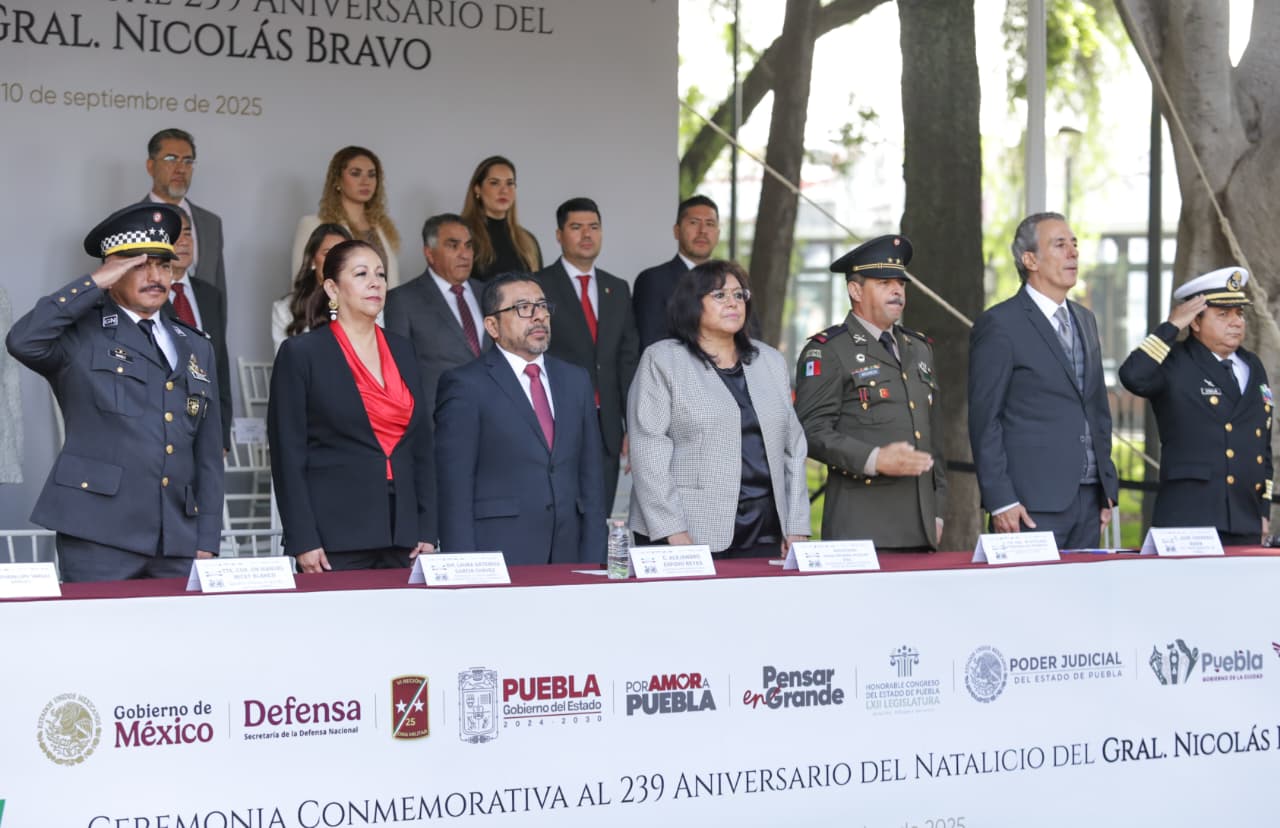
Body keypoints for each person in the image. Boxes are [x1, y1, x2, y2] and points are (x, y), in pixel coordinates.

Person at [5, 203, 224, 581]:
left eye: (164, 265)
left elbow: (208, 452)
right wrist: (92, 284)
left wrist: (207, 536)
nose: (155, 276)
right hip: (98, 533)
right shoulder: (81, 334)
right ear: (113, 270)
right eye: (139, 265)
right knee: (96, 623)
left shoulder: (195, 345)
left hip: (176, 538)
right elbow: (23, 340)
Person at [268, 240, 436, 572]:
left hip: (404, 534)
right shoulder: (302, 353)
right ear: (332, 288)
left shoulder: (402, 349)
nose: (375, 283)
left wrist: (428, 528)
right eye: (361, 274)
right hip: (334, 534)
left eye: (380, 274)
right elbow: (287, 453)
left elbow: (421, 445)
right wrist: (303, 538)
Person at [627, 260, 809, 558]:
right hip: (688, 530)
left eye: (739, 295)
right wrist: (672, 529)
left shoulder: (770, 361)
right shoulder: (662, 360)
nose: (733, 303)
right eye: (720, 295)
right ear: (692, 303)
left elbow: (794, 448)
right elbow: (648, 450)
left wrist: (797, 524)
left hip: (765, 529)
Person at [968, 212, 1118, 548]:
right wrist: (1000, 500)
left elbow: (1097, 409)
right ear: (1030, 260)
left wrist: (1106, 486)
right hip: (1028, 505)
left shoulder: (1085, 319)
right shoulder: (1000, 324)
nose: (1073, 253)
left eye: (1074, 244)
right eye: (1060, 245)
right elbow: (985, 420)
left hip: (1089, 500)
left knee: (1084, 585)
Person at [434, 272, 605, 565]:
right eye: (523, 308)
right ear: (492, 326)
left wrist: (595, 558)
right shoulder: (466, 384)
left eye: (542, 306)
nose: (538, 316)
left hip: (570, 553)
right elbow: (454, 488)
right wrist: (463, 567)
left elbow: (591, 479)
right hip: (499, 555)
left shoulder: (576, 380)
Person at [794, 235, 946, 551]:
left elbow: (933, 436)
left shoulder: (919, 348)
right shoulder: (829, 350)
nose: (897, 291)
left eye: (900, 284)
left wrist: (938, 510)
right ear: (855, 290)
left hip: (922, 526)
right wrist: (875, 459)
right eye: (884, 283)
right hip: (862, 528)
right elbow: (811, 431)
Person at [1119, 266, 1273, 546]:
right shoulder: (1174, 361)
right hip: (1190, 517)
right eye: (1223, 314)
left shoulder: (1252, 365)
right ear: (1195, 322)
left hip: (1245, 517)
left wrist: (1263, 510)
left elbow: (1262, 445)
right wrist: (1170, 327)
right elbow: (1132, 376)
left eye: (1239, 313)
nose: (1236, 322)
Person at [536, 197, 640, 510]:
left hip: (607, 427)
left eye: (593, 227)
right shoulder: (537, 286)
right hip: (556, 421)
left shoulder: (616, 288)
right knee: (559, 513)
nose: (586, 234)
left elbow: (627, 360)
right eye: (576, 227)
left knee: (600, 515)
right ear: (559, 235)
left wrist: (632, 425)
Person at [384, 214, 489, 437]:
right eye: (453, 245)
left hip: (493, 423)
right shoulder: (403, 300)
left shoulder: (489, 294)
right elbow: (396, 373)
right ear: (429, 253)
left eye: (468, 245)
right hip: (437, 427)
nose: (464, 254)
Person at [168, 206, 232, 451]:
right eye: (175, 234)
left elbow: (220, 365)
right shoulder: (147, 298)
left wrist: (223, 435)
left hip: (207, 426)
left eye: (187, 233)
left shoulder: (209, 295)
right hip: (166, 428)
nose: (183, 241)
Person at [292, 146, 401, 288]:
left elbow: (391, 282)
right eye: (356, 173)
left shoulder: (384, 227)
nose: (365, 181)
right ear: (337, 180)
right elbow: (300, 283)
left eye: (372, 175)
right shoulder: (313, 224)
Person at [142, 128, 227, 300]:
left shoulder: (211, 223)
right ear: (150, 166)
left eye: (188, 161)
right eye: (171, 159)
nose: (181, 168)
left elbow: (218, 293)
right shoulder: (127, 223)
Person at [632, 195, 720, 349]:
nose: (702, 231)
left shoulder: (731, 283)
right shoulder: (653, 280)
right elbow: (653, 344)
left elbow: (751, 337)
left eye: (710, 224)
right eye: (694, 223)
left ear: (718, 233)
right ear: (677, 231)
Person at [460, 155, 542, 282]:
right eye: (494, 183)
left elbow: (539, 288)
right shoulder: (463, 236)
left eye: (510, 183)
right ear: (477, 189)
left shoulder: (528, 241)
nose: (504, 190)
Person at [272, 223, 352, 352]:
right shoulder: (284, 309)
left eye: (342, 254)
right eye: (327, 254)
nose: (335, 261)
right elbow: (283, 361)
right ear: (313, 260)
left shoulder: (367, 302)